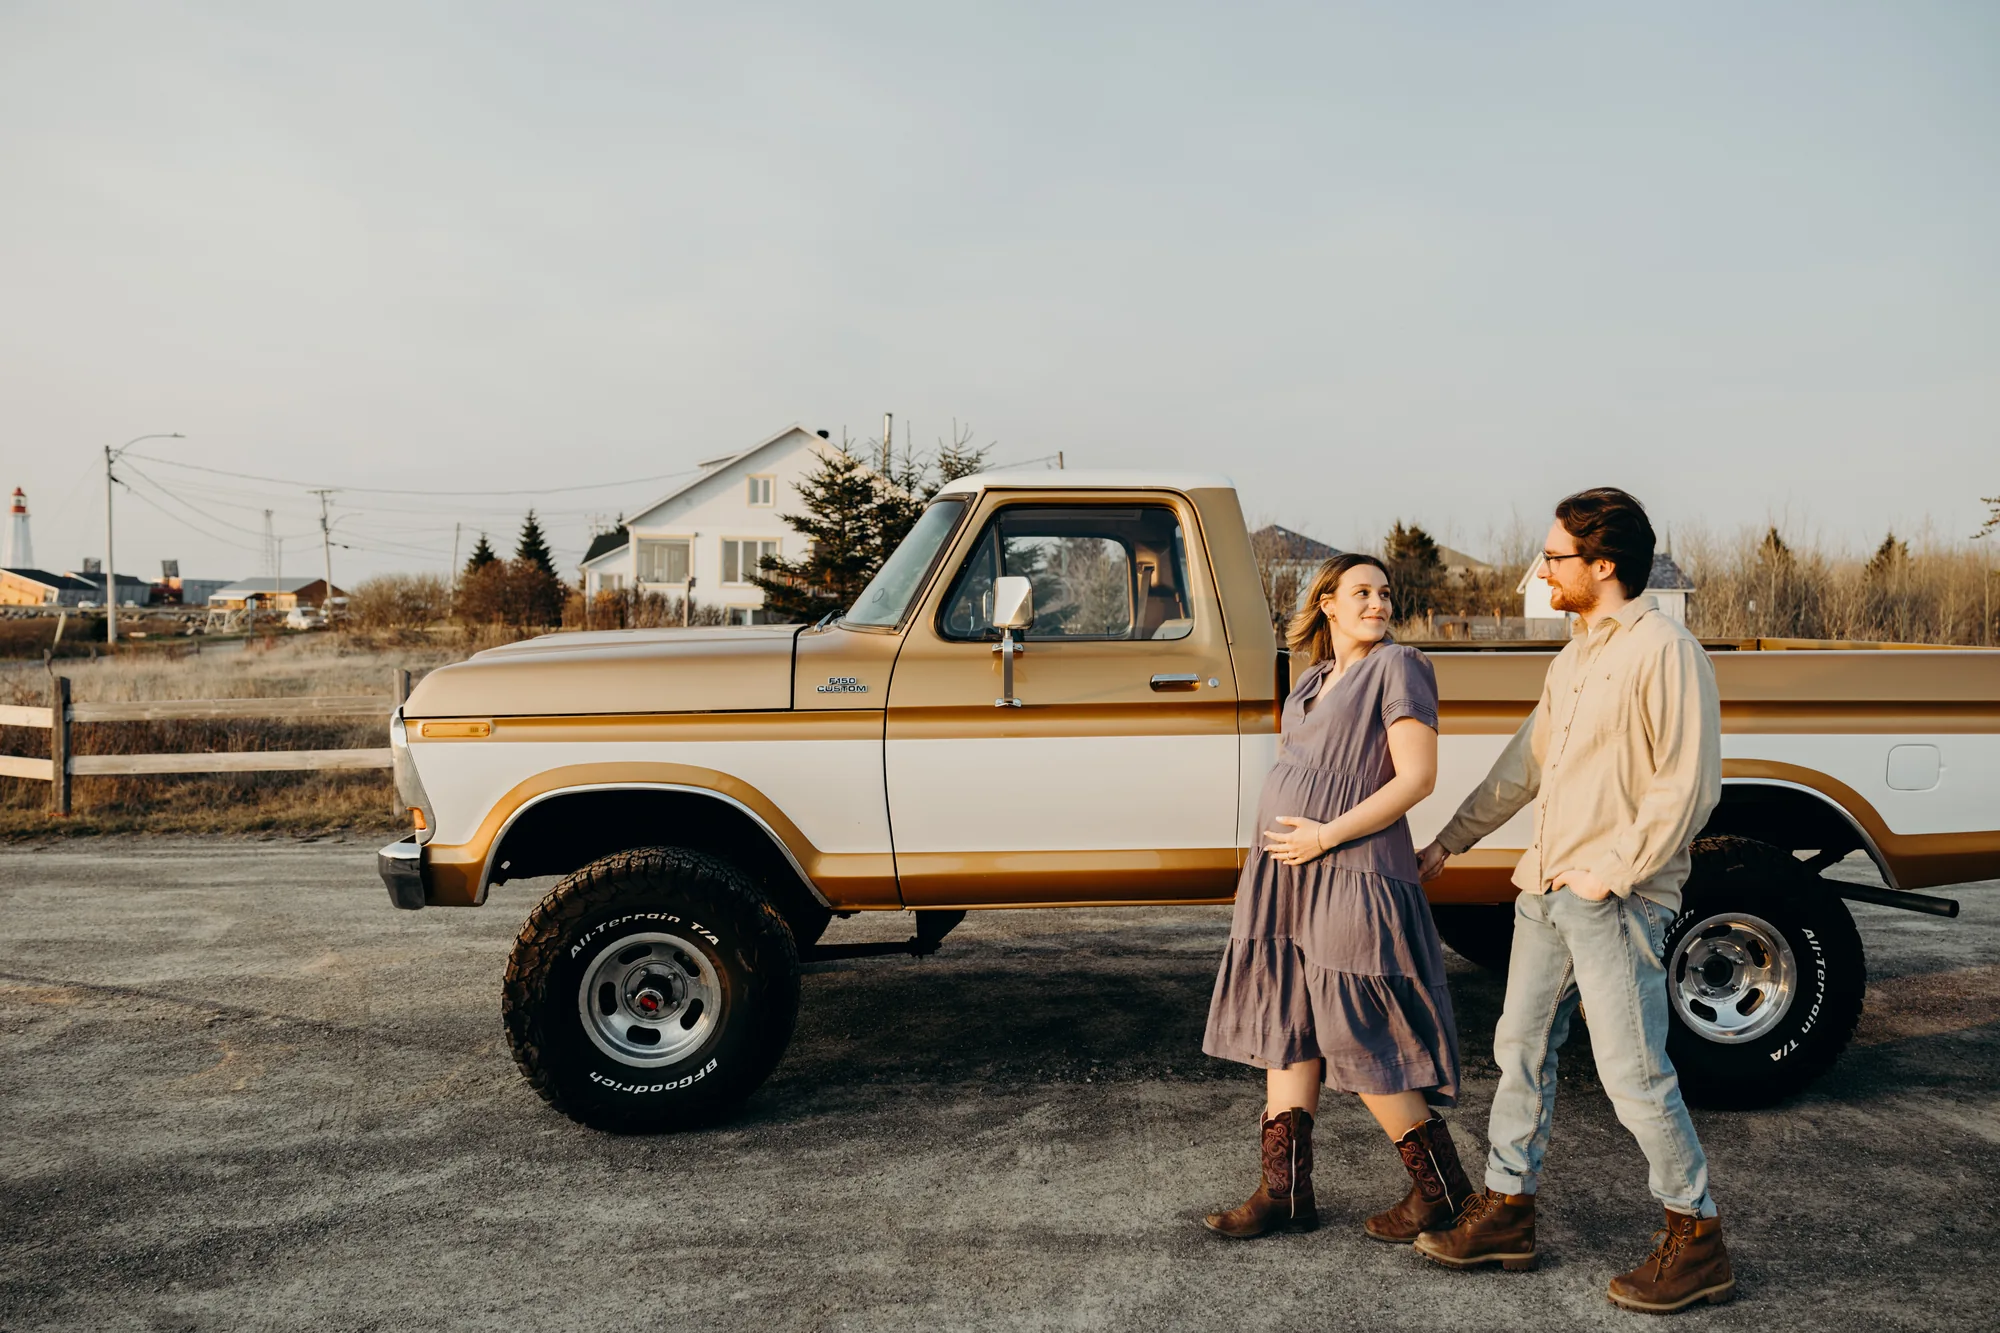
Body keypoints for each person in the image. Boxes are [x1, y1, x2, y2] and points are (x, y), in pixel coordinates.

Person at [1411, 488, 1735, 1314]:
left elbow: (1688, 786)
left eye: (1555, 557)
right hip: (1545, 890)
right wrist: (1452, 838)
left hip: (1613, 899)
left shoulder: (1664, 648)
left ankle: (1697, 1237)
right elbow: (1526, 765)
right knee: (1518, 1045)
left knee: (1633, 1075)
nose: (1542, 570)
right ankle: (1507, 1210)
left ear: (1604, 564)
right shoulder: (1575, 656)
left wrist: (1613, 871)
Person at [1202, 553, 1470, 1242]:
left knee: (1360, 1024)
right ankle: (1284, 1194)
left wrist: (1323, 838)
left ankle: (1442, 1192)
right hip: (1286, 874)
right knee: (1286, 1014)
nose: (1377, 603)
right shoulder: (1312, 679)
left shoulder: (1399, 666)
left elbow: (1417, 777)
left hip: (1351, 866)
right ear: (1326, 602)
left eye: (1384, 593)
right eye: (1361, 592)